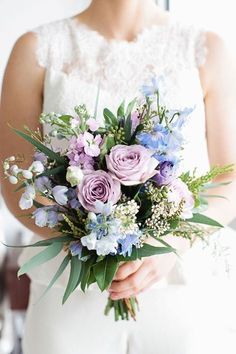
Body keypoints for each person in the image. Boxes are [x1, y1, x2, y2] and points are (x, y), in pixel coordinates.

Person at [1, 0, 236, 353]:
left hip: (180, 293)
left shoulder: (205, 49)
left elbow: (228, 177)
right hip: (68, 295)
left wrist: (170, 246)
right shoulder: (36, 50)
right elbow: (17, 180)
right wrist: (91, 244)